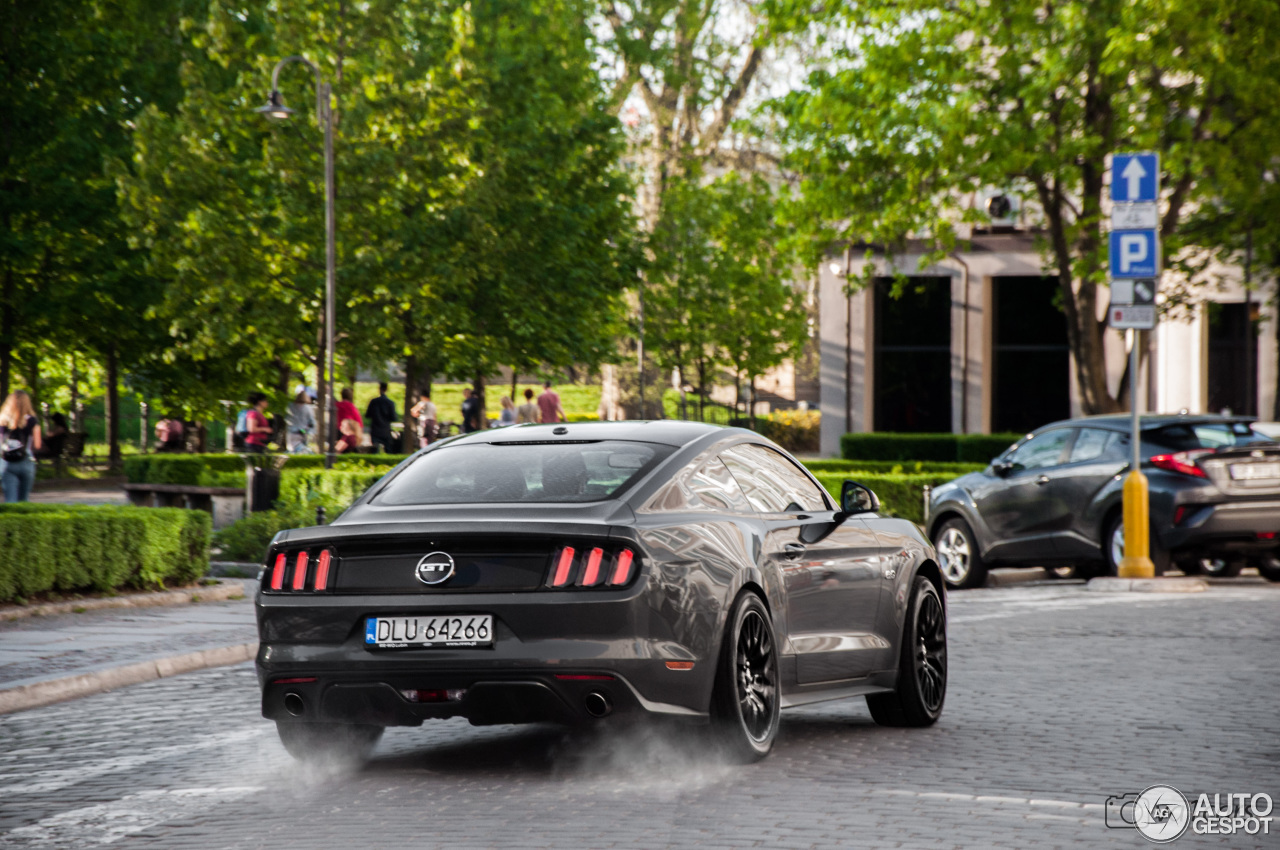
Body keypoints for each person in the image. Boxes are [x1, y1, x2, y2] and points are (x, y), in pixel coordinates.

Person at [0, 391, 42, 502]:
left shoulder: (3, 421)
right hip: (26, 462)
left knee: (10, 501)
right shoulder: (32, 421)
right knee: (24, 500)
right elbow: (37, 445)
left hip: (7, 463)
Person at [365, 382, 397, 453]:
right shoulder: (390, 403)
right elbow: (394, 418)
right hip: (386, 430)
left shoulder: (373, 402)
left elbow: (367, 415)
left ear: (379, 389)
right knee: (388, 450)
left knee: (375, 450)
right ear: (386, 389)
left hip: (375, 430)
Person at [285, 387, 316, 452]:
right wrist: (310, 432)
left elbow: (286, 418)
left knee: (291, 451)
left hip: (291, 432)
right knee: (302, 450)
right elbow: (312, 423)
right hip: (302, 432)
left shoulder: (290, 406)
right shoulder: (308, 408)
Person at [335, 387, 363, 453]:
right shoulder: (352, 407)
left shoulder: (337, 405)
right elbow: (358, 422)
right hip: (348, 433)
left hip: (337, 431)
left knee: (338, 451)